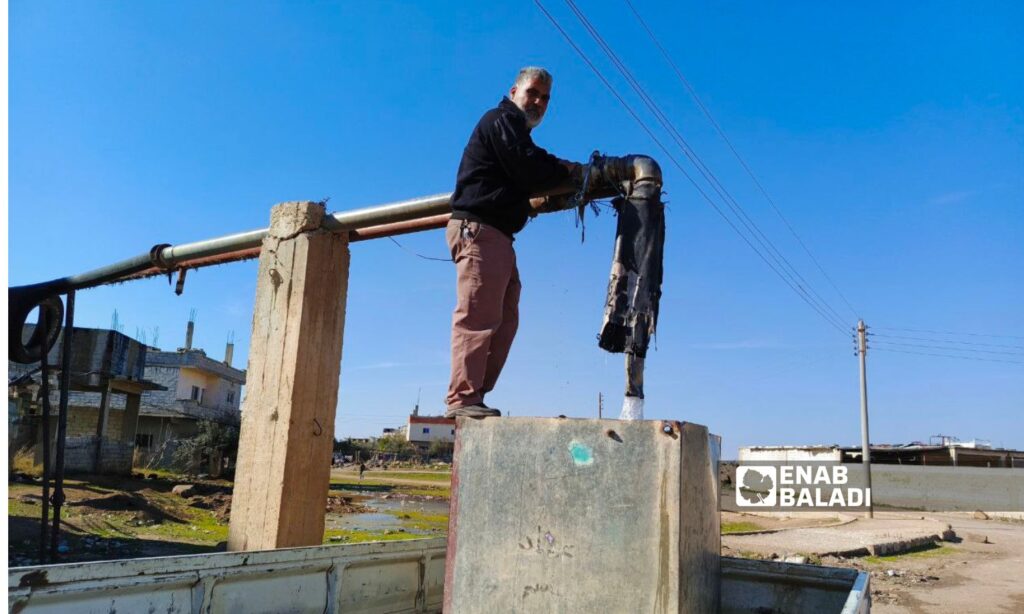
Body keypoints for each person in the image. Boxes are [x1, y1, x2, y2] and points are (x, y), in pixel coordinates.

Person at [445, 66, 581, 419]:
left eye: (545, 98)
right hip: (480, 229)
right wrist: (568, 171)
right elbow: (529, 168)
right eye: (532, 92)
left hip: (499, 235)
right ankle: (462, 398)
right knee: (477, 317)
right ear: (513, 91)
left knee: (505, 319)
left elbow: (526, 167)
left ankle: (475, 395)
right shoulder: (500, 120)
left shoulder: (517, 134)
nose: (538, 101)